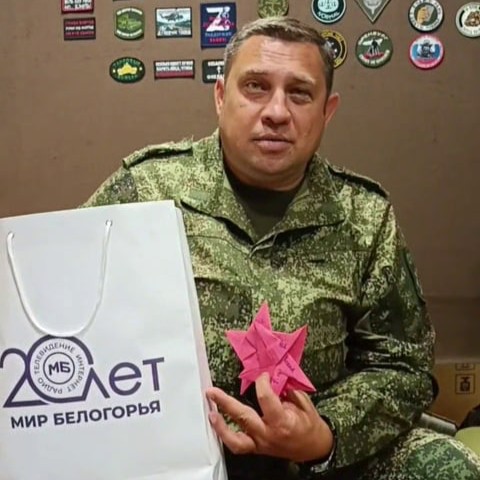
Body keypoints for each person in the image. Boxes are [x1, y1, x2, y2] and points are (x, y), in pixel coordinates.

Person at [83, 16, 480, 480]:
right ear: (220, 96)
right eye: (256, 86)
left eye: (299, 93)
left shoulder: (363, 215)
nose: (276, 111)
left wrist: (326, 433)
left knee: (448, 468)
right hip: (171, 453)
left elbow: (402, 364)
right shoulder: (144, 190)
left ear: (327, 111)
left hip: (318, 458)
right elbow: (63, 312)